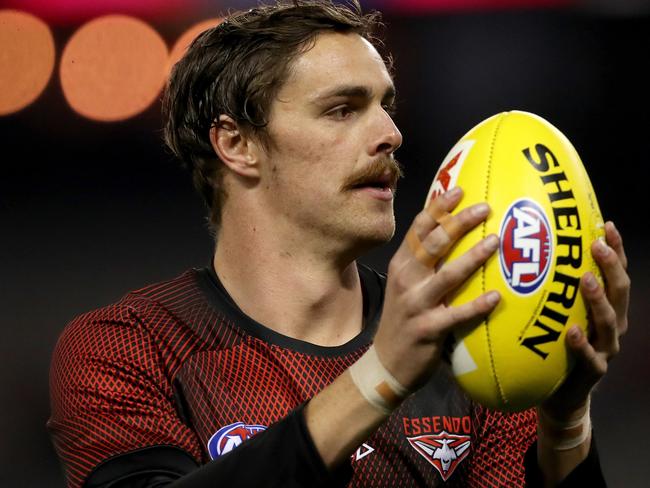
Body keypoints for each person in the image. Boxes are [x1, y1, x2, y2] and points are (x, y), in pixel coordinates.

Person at [47, 1, 630, 487]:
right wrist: (380, 377)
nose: (390, 135)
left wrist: (565, 421)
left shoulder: (473, 347)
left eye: (386, 107)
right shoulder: (130, 347)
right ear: (236, 144)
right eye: (343, 109)